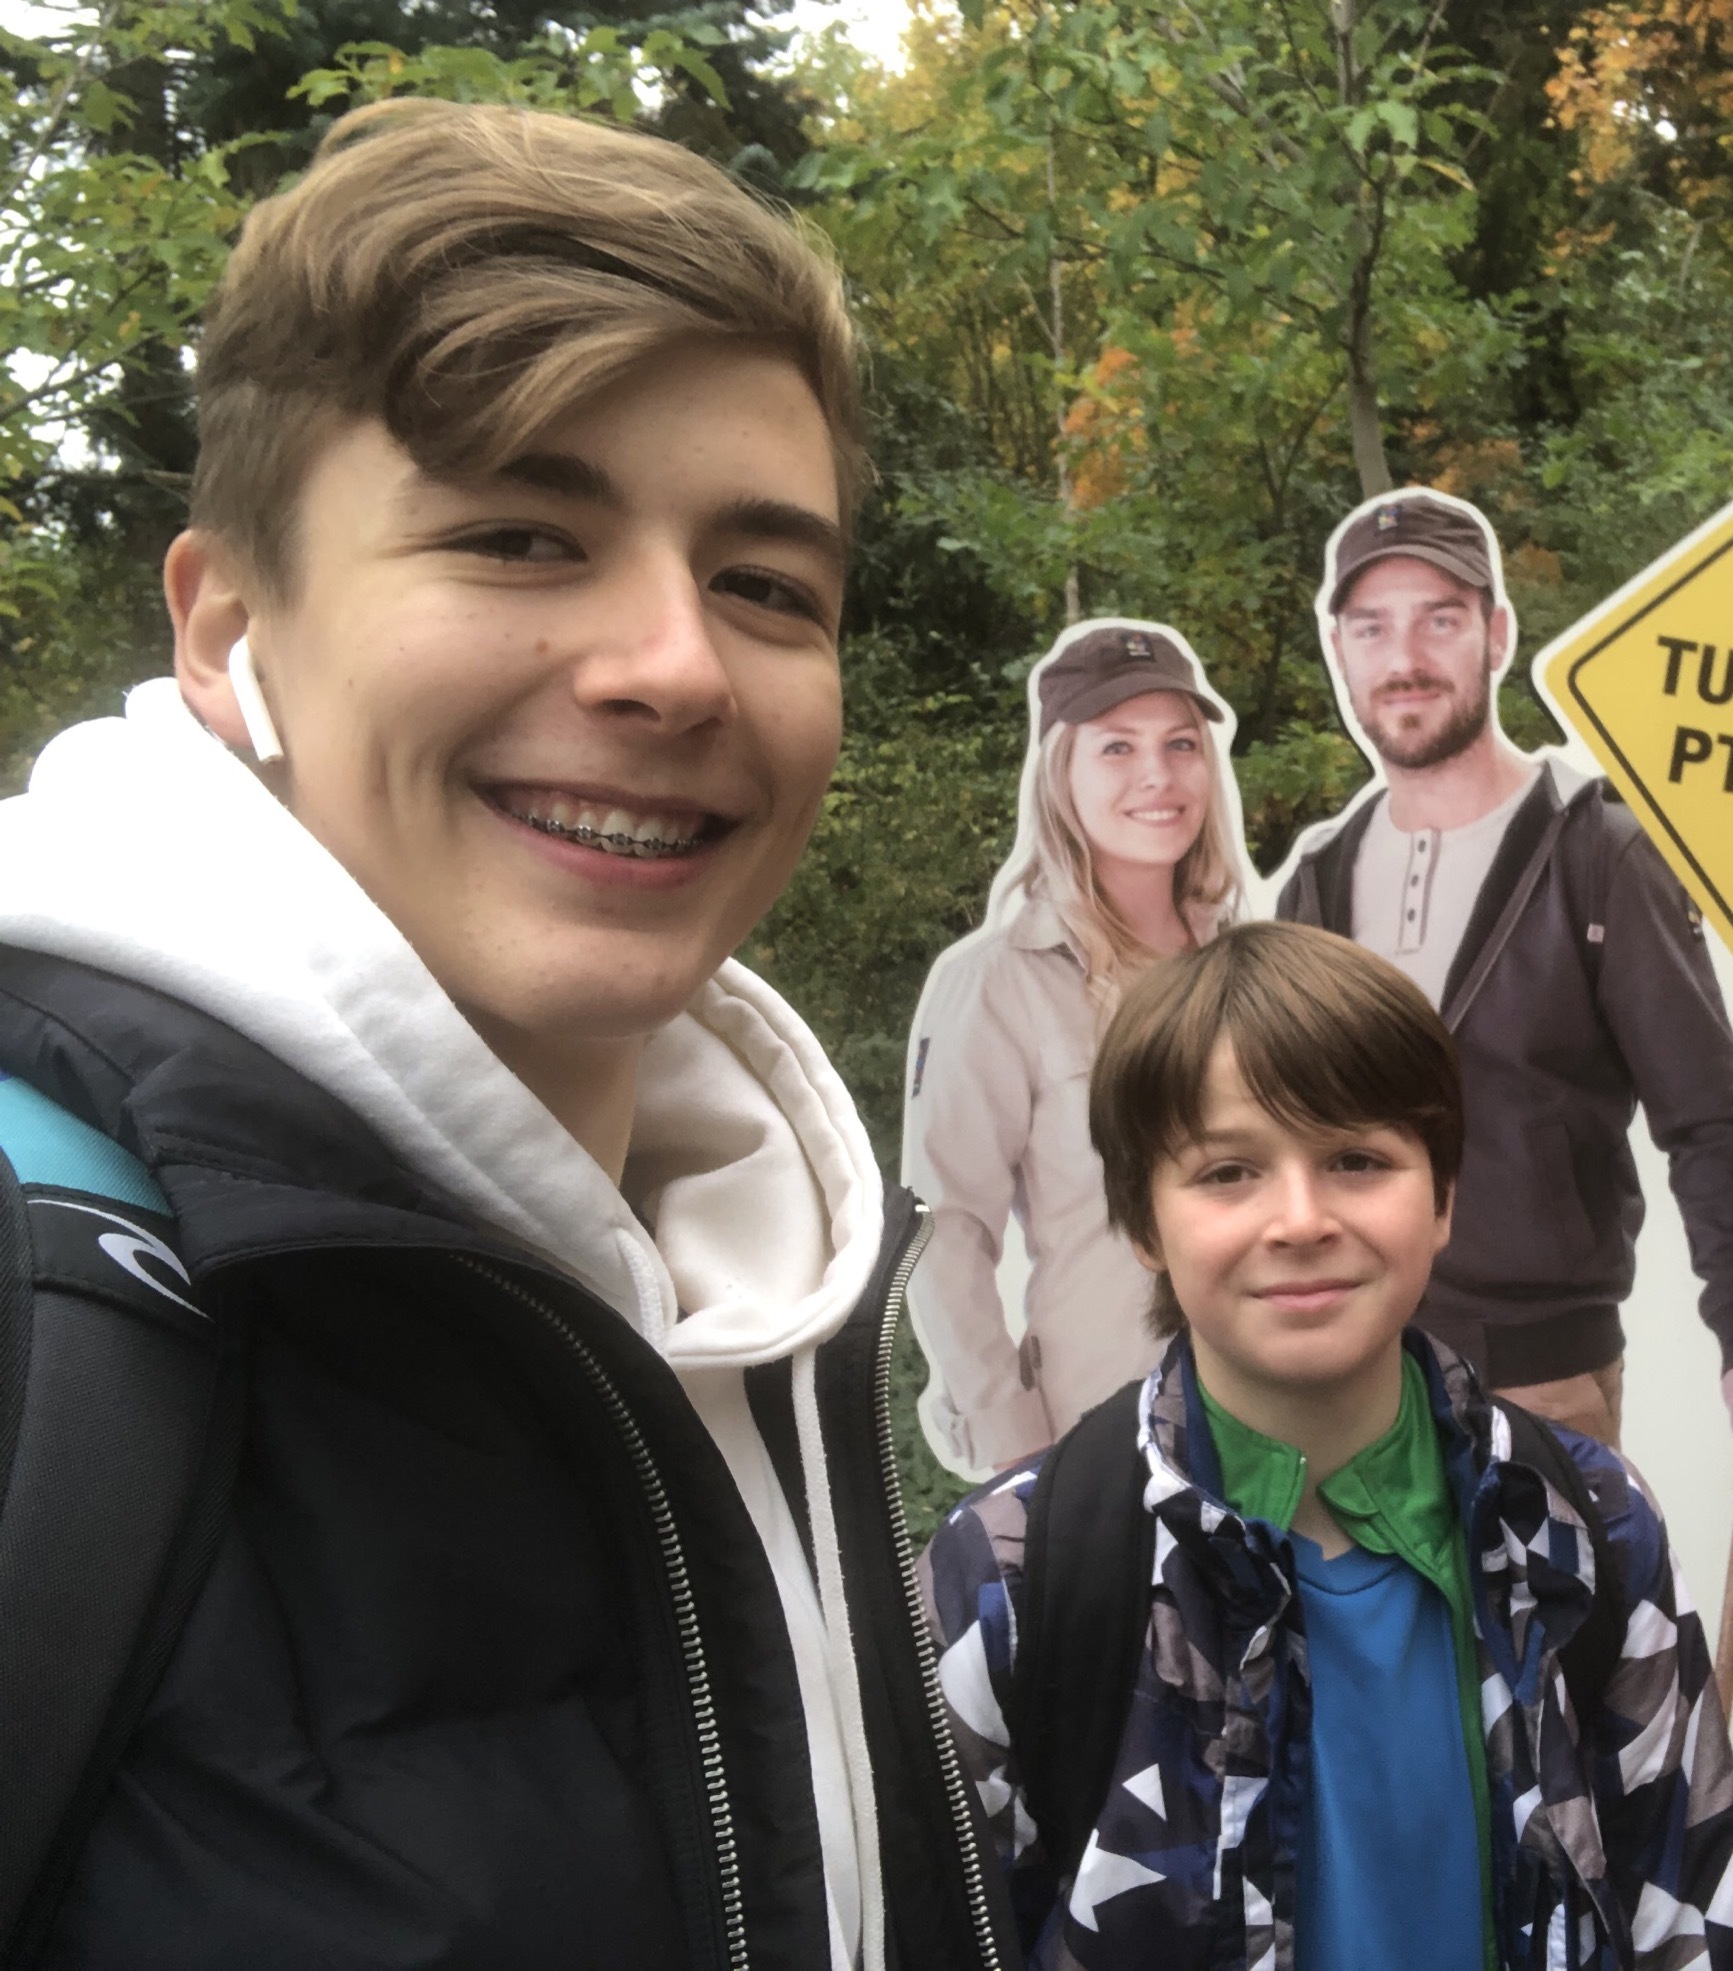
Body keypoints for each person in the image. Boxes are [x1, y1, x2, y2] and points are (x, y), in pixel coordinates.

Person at [0, 99, 1002, 1969]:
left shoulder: (765, 1305)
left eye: (765, 584)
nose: (676, 664)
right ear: (226, 631)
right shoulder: (42, 1291)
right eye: (521, 535)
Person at [919, 921, 1733, 1970]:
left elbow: (1684, 1906)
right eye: (1228, 1171)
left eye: (1357, 1159)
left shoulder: (1582, 1524)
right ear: (1141, 1221)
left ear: (1442, 1196)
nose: (1301, 1219)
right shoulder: (1009, 1573)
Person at [1274, 487, 1733, 1495]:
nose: (1404, 657)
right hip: (1346, 1390)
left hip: (1540, 1386)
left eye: (1440, 619)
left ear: (1497, 634)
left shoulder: (1599, 855)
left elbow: (1708, 1116)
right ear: (1339, 651)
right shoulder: (1315, 881)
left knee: (1556, 1609)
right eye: (1372, 627)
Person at [901, 620, 1250, 1472]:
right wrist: (1019, 1451)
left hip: (1275, 1424)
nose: (1157, 775)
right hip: (1104, 1437)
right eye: (1117, 747)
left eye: (1180, 743)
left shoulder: (1251, 958)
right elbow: (944, 1233)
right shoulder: (997, 982)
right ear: (1061, 771)